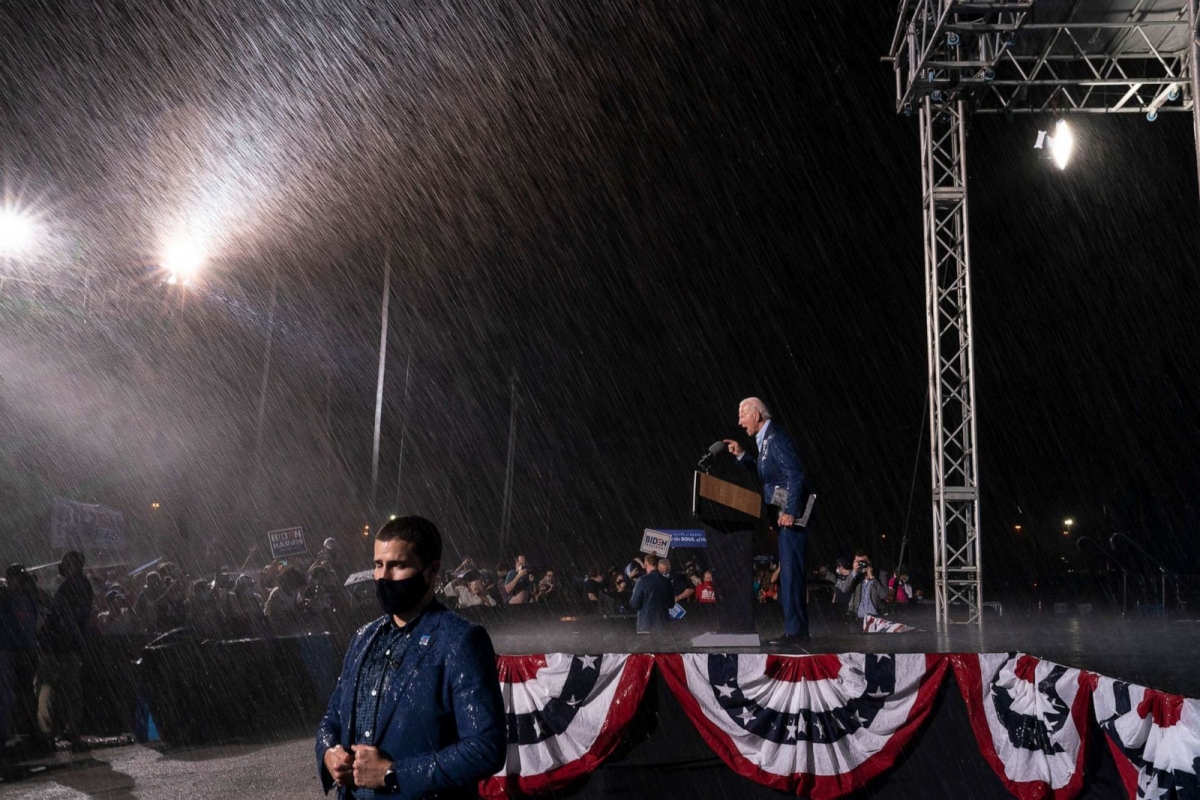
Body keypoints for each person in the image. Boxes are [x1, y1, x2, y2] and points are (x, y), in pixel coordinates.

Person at [316, 515, 505, 798]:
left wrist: (394, 774)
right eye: (378, 565)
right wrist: (329, 753)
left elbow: (485, 747)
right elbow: (333, 717)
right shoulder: (363, 638)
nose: (383, 576)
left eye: (398, 565)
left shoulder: (460, 641)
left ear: (432, 570)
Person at [725, 397, 811, 646]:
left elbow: (795, 474)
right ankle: (796, 629)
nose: (740, 422)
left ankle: (795, 632)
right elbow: (769, 476)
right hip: (783, 516)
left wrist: (791, 511)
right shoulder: (766, 441)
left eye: (742, 415)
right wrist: (742, 455)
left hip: (790, 519)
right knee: (789, 573)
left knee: (792, 573)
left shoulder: (776, 438)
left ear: (757, 415)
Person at [36, 551, 93, 749]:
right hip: (63, 646)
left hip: (62, 647)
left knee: (55, 689)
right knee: (62, 690)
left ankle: (61, 732)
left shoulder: (76, 585)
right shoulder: (76, 585)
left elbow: (68, 617)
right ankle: (68, 730)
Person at [629, 553, 672, 634]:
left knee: (647, 647)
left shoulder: (641, 581)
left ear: (645, 564)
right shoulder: (667, 581)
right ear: (657, 564)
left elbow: (634, 603)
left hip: (645, 625)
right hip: (662, 625)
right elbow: (671, 604)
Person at [846, 550, 888, 622]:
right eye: (858, 561)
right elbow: (844, 589)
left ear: (870, 561)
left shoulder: (881, 574)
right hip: (857, 618)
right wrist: (854, 572)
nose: (861, 563)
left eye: (864, 561)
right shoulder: (854, 576)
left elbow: (884, 595)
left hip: (875, 619)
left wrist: (872, 578)